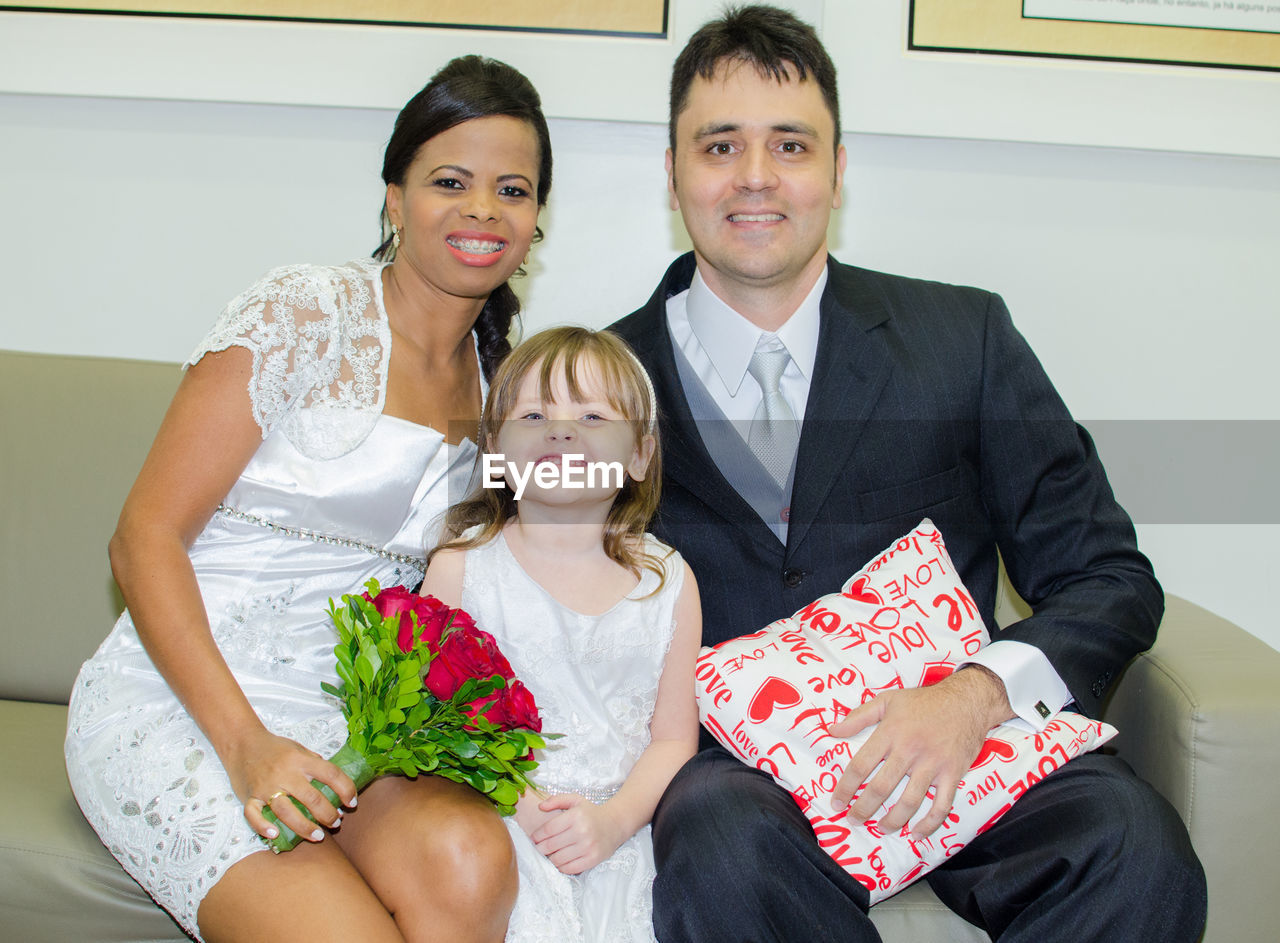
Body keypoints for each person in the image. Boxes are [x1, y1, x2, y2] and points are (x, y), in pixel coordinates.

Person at [609, 5, 1207, 942]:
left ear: (838, 171)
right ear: (675, 171)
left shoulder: (962, 339)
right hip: (741, 780)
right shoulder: (599, 383)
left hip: (967, 744)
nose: (756, 177)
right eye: (720, 145)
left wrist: (974, 695)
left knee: (1135, 846)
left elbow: (1109, 577)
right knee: (719, 850)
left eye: (791, 145)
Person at [63, 54, 552, 943]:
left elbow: (577, 524)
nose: (484, 208)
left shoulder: (506, 387)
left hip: (346, 717)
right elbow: (142, 538)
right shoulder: (303, 314)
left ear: (535, 220)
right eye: (450, 181)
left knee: (473, 858)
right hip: (188, 701)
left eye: (511, 189)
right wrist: (246, 747)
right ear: (395, 199)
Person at [423, 326, 702, 943]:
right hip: (500, 825)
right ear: (494, 450)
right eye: (534, 413)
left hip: (624, 835)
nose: (562, 429)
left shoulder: (668, 580)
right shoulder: (460, 569)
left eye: (593, 414)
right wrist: (526, 814)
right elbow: (441, 723)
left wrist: (612, 824)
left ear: (639, 456)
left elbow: (672, 740)